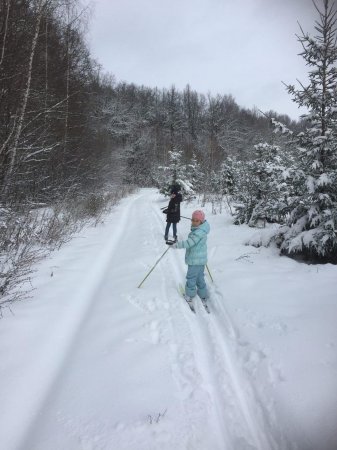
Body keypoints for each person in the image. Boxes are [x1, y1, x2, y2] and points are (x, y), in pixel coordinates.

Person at [168, 210, 210, 306]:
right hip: (201, 260)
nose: (194, 222)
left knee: (191, 277)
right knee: (200, 277)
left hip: (195, 261)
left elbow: (189, 243)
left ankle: (190, 295)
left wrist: (176, 245)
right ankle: (203, 294)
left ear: (201, 222)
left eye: (197, 220)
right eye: (193, 220)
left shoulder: (198, 233)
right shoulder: (203, 230)